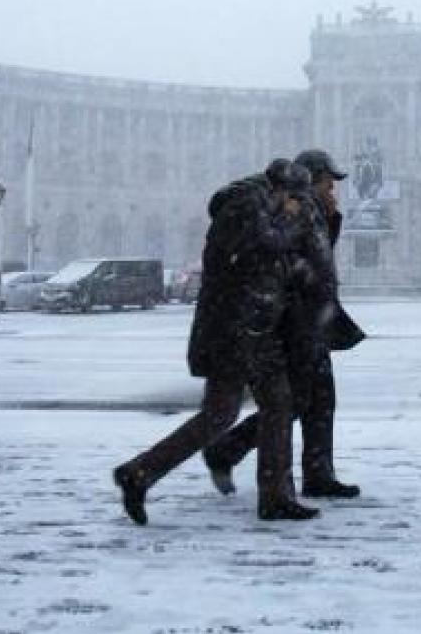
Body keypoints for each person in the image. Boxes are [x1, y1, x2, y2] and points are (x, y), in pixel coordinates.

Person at [113, 159, 322, 525]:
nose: (297, 207)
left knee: (220, 415)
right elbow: (262, 249)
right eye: (295, 199)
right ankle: (274, 497)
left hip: (241, 326)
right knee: (277, 404)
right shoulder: (245, 206)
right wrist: (293, 223)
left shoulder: (255, 206)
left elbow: (265, 262)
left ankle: (140, 473)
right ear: (281, 190)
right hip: (239, 328)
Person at [202, 148, 365, 500]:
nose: (332, 190)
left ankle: (319, 474)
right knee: (296, 401)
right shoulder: (295, 212)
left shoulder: (314, 213)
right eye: (328, 183)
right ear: (311, 179)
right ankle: (228, 449)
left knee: (321, 400)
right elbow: (286, 258)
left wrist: (331, 220)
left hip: (311, 318)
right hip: (295, 319)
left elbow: (319, 258)